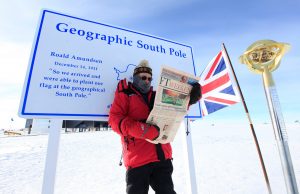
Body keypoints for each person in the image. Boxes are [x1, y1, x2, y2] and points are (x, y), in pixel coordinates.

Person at [109, 60, 202, 194]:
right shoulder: (125, 93)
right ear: (135, 77)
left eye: (149, 78)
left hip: (162, 158)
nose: (147, 81)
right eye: (143, 77)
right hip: (138, 160)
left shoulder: (157, 95)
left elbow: (173, 111)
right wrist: (145, 131)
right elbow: (115, 120)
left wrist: (190, 99)